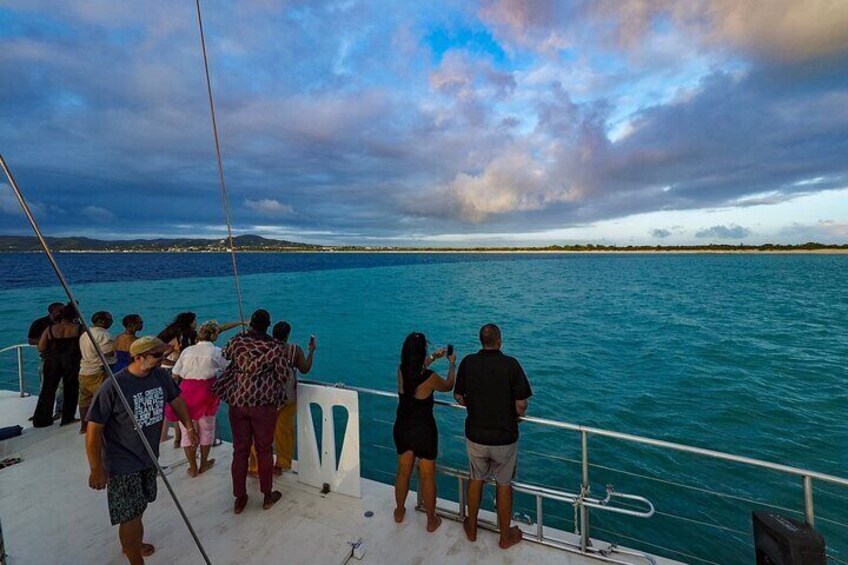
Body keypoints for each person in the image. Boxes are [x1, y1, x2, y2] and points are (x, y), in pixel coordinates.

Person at [85, 336, 197, 565]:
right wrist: (96, 468)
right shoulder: (113, 387)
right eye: (157, 356)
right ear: (138, 358)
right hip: (122, 462)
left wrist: (189, 426)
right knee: (131, 513)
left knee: (140, 506)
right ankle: (134, 557)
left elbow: (176, 400)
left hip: (148, 457)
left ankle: (131, 543)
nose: (162, 359)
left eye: (162, 354)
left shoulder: (160, 375)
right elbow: (94, 430)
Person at [454, 323, 532, 550]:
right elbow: (520, 405)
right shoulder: (511, 365)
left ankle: (471, 528)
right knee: (504, 484)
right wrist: (516, 412)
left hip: (476, 435)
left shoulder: (468, 362)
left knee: (476, 479)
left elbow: (459, 396)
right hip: (504, 438)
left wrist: (476, 405)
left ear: (481, 341)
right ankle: (505, 536)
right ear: (499, 341)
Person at [216, 309, 291, 514]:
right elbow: (283, 375)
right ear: (268, 325)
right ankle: (267, 495)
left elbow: (224, 357)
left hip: (238, 402)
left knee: (240, 451)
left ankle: (239, 498)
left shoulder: (237, 341)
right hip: (264, 404)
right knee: (264, 449)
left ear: (250, 324)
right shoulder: (275, 347)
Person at [392, 332, 456, 532]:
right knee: (428, 477)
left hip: (402, 427)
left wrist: (434, 358)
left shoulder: (402, 371)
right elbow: (448, 385)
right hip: (424, 431)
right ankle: (431, 520)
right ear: (421, 354)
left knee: (403, 471)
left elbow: (416, 370)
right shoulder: (430, 378)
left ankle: (400, 510)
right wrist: (452, 364)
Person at [248, 321, 316, 476]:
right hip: (288, 396)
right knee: (284, 431)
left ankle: (256, 466)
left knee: (260, 432)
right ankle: (281, 464)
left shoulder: (264, 348)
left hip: (266, 396)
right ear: (287, 335)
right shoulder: (294, 350)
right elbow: (305, 369)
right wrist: (311, 352)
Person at [170, 320, 229, 477]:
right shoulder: (216, 351)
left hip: (186, 392)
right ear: (214, 334)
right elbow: (228, 368)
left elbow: (175, 374)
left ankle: (193, 467)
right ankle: (204, 463)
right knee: (207, 430)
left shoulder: (187, 350)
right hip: (206, 393)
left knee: (186, 431)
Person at [33, 303, 82, 427]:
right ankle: (67, 418)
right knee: (71, 389)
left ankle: (41, 419)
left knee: (47, 389)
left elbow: (41, 347)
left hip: (52, 361)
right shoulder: (79, 328)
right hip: (71, 361)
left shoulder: (50, 329)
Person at [78, 311, 116, 433]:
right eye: (109, 320)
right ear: (101, 321)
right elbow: (107, 352)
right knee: (105, 400)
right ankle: (105, 427)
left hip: (84, 370)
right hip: (98, 371)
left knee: (85, 400)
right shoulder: (104, 335)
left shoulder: (85, 334)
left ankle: (84, 426)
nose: (111, 322)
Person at [27, 302, 65, 418]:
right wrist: (46, 340)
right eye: (60, 311)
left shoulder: (67, 322)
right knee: (45, 386)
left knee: (62, 387)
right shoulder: (39, 323)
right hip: (48, 358)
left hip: (65, 358)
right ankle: (42, 412)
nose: (62, 313)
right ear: (51, 311)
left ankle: (60, 411)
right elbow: (31, 340)